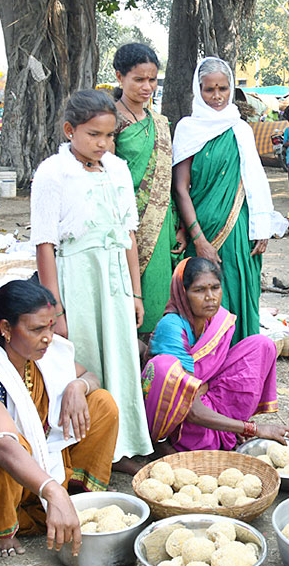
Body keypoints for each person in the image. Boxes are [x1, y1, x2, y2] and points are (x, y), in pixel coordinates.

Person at [0, 280, 119, 556]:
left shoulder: (42, 357)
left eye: (50, 326)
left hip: (32, 467)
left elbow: (89, 376)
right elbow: (2, 446)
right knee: (1, 448)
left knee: (101, 404)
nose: (48, 337)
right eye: (37, 329)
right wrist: (52, 490)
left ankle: (73, 496)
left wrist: (78, 386)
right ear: (5, 329)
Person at [31, 89, 154, 466]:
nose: (103, 143)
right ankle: (86, 450)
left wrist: (135, 292)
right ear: (70, 130)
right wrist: (56, 310)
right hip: (77, 282)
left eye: (109, 135)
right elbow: (45, 245)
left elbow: (128, 234)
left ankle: (125, 443)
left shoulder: (117, 169)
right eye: (93, 135)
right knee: (82, 359)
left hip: (114, 279)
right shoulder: (53, 173)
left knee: (120, 359)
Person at [142, 258, 289, 451]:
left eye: (215, 288)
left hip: (203, 397)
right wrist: (254, 429)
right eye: (199, 290)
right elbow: (189, 408)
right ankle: (166, 445)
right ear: (183, 293)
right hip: (175, 415)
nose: (210, 297)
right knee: (165, 366)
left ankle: (227, 428)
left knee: (262, 345)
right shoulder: (172, 327)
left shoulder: (218, 319)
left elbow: (214, 374)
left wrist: (202, 386)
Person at [172, 58, 275, 344]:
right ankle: (208, 372)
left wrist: (262, 227)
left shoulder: (240, 129)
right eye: (209, 90)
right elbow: (180, 189)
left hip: (239, 229)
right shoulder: (188, 129)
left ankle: (242, 367)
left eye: (223, 88)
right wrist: (199, 239)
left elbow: (255, 180)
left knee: (241, 290)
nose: (217, 97)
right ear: (198, 90)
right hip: (201, 231)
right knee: (204, 300)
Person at [109, 43, 178, 335]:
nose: (147, 86)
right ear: (119, 77)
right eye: (139, 79)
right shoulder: (109, 121)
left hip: (162, 225)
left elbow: (168, 179)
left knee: (159, 298)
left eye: (152, 79)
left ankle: (157, 366)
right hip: (125, 225)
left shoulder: (160, 122)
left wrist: (179, 225)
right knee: (127, 299)